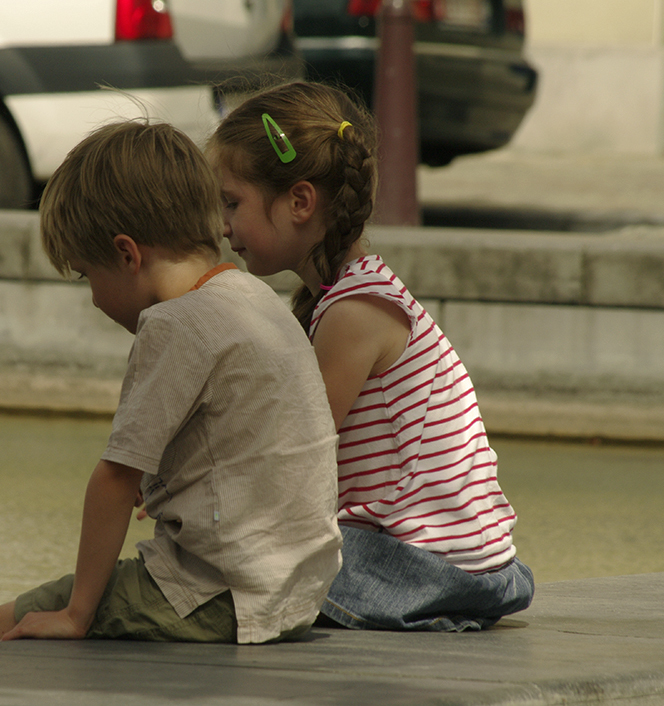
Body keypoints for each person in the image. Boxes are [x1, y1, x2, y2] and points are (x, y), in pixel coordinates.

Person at [0, 120, 342, 645]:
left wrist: (77, 616)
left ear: (127, 254)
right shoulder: (254, 297)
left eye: (86, 276)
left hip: (218, 595)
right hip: (296, 590)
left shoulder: (174, 323)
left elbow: (114, 479)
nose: (96, 299)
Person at [206, 81, 535, 631]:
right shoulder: (348, 294)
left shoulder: (353, 313)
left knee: (227, 572)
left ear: (300, 201)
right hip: (468, 560)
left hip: (431, 567)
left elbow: (294, 455)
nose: (222, 226)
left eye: (232, 203)